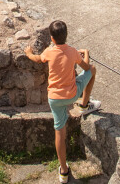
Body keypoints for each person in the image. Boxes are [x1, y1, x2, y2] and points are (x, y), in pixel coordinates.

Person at [25, 20, 99, 183]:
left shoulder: (50, 52)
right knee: (93, 70)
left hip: (55, 98)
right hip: (71, 94)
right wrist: (85, 53)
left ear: (52, 38)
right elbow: (86, 67)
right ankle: (84, 104)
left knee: (59, 131)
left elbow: (38, 59)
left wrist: (29, 53)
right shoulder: (72, 51)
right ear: (66, 36)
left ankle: (64, 171)